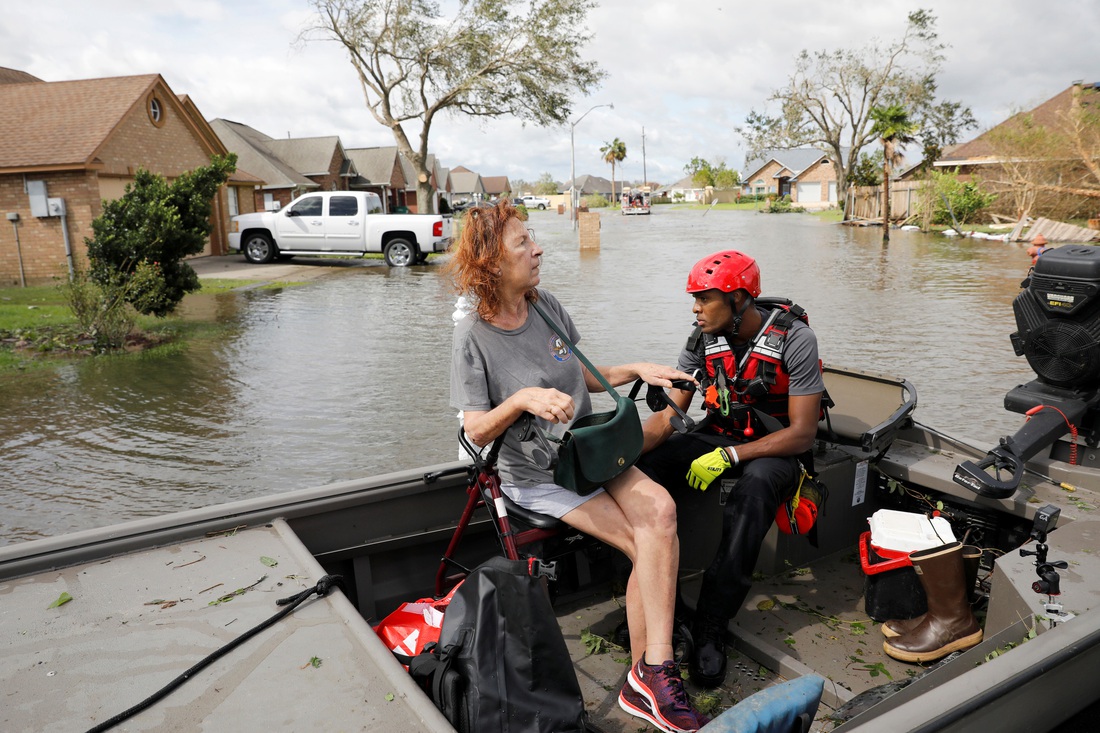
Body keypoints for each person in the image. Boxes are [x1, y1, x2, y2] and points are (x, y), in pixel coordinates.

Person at [446, 200, 709, 732]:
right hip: (539, 476)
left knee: (659, 511)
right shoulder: (472, 336)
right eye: (523, 243)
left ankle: (650, 673)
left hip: (589, 452)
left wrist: (634, 367)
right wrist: (521, 400)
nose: (537, 248)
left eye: (532, 238)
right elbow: (475, 427)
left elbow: (580, 375)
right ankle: (652, 678)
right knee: (646, 545)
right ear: (492, 263)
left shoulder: (546, 307)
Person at [637, 250, 825, 688]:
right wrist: (623, 453)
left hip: (778, 449)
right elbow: (671, 415)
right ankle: (669, 606)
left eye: (704, 298)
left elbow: (802, 434)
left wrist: (732, 457)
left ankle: (711, 626)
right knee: (645, 468)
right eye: (694, 299)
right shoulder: (701, 337)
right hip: (721, 433)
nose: (695, 308)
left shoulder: (796, 339)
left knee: (754, 490)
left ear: (739, 298)